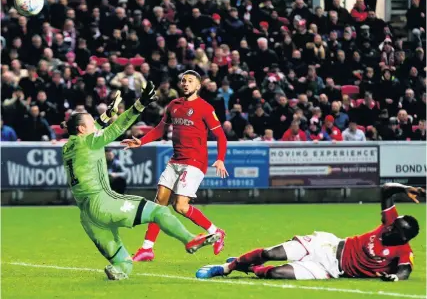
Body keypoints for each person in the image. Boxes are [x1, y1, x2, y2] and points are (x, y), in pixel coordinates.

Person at [61, 83, 218, 281]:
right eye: (92, 123)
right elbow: (118, 127)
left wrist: (105, 116)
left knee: (123, 262)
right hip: (102, 203)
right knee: (159, 211)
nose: (96, 126)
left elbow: (95, 130)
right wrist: (139, 105)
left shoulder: (68, 147)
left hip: (87, 217)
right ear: (82, 129)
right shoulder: (89, 141)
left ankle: (119, 271)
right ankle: (189, 240)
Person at [197, 183, 424, 281]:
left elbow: (405, 270)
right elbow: (385, 190)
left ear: (403, 237)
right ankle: (227, 267)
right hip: (328, 245)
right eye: (393, 223)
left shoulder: (403, 250)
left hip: (329, 269)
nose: (390, 226)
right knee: (271, 253)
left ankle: (253, 267)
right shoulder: (390, 222)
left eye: (395, 228)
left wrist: (395, 277)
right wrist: (405, 189)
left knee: (275, 274)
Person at [121, 71, 228, 261]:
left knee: (180, 207)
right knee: (158, 203)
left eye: (190, 81)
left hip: (195, 162)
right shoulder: (174, 105)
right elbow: (161, 128)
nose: (185, 83)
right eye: (183, 81)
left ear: (198, 86)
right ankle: (147, 248)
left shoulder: (205, 108)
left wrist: (220, 158)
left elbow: (220, 136)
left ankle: (216, 231)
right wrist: (142, 142)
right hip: (175, 160)